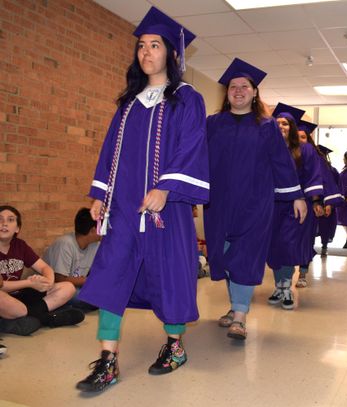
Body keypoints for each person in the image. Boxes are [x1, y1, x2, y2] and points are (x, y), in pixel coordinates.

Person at [76, 7, 209, 393]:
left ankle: (174, 344)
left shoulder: (187, 99)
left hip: (166, 211)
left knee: (170, 279)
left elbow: (192, 147)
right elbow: (109, 153)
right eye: (141, 46)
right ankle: (107, 361)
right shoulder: (130, 103)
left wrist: (166, 188)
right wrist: (99, 195)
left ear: (170, 53)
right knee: (110, 276)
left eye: (154, 45)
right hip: (123, 210)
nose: (146, 52)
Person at [205, 60, 306, 339]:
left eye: (244, 87)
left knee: (245, 256)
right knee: (225, 256)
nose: (238, 91)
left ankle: (240, 315)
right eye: (233, 87)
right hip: (219, 203)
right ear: (227, 93)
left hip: (254, 203)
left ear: (254, 92)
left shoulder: (267, 126)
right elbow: (197, 159)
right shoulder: (212, 124)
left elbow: (282, 162)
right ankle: (234, 306)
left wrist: (296, 196)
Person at [267, 102, 322, 310]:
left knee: (288, 244)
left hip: (295, 205)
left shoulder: (304, 150)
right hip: (271, 205)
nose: (281, 126)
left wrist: (315, 201)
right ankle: (278, 286)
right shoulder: (268, 149)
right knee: (274, 246)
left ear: (292, 127)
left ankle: (286, 286)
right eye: (277, 123)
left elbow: (313, 176)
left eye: (286, 123)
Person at [0, 206, 84, 336]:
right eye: (0, 219)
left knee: (68, 288)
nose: (4, 223)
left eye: (10, 220)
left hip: (19, 296)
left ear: (17, 228)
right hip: (4, 299)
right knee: (7, 302)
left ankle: (25, 319)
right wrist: (29, 283)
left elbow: (45, 268)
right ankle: (47, 319)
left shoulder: (20, 245)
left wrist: (48, 281)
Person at [297, 124, 342, 284]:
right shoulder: (288, 155)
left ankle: (302, 273)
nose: (300, 141)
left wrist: (324, 203)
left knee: (306, 239)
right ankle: (284, 278)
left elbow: (326, 181)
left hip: (309, 203)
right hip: (288, 202)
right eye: (297, 138)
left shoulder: (316, 158)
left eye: (303, 137)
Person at [44, 208, 100, 312]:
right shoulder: (65, 244)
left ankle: (67, 308)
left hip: (78, 287)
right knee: (93, 299)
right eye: (102, 226)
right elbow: (59, 279)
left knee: (108, 294)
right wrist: (89, 281)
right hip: (56, 289)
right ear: (93, 230)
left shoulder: (95, 244)